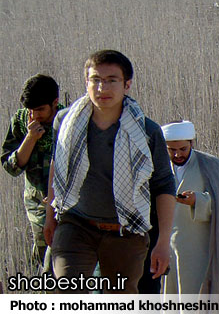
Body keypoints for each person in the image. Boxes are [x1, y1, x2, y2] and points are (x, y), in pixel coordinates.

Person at [44, 50, 175, 293]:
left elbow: (164, 186)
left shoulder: (146, 132)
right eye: (95, 79)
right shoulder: (65, 123)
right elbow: (57, 165)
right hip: (76, 223)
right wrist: (50, 216)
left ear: (127, 84)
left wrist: (163, 242)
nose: (102, 87)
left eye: (111, 80)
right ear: (86, 83)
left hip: (125, 229)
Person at [161, 120, 219, 302]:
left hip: (200, 249)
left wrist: (198, 201)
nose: (177, 154)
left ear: (192, 143)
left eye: (183, 149)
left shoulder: (210, 165)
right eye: (172, 150)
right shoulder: (158, 167)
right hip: (166, 248)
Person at [2, 75, 63, 264]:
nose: (35, 115)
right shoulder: (20, 122)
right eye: (30, 110)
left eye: (40, 110)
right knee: (42, 256)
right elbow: (11, 168)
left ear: (55, 103)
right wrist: (30, 138)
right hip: (37, 206)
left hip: (66, 205)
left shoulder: (67, 122)